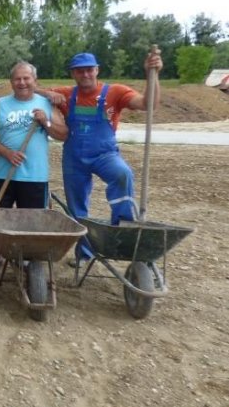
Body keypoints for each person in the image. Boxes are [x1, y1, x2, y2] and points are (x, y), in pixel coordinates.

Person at [43, 49, 163, 262]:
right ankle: (85, 252)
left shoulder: (115, 92)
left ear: (97, 70)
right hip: (74, 157)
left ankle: (121, 233)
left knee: (122, 174)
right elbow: (31, 89)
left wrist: (151, 74)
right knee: (77, 207)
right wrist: (48, 95)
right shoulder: (66, 94)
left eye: (89, 70)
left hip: (104, 154)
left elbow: (149, 104)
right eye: (80, 71)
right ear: (73, 74)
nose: (85, 75)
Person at [0, 62, 68, 208]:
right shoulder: (0, 104)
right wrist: (7, 153)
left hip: (35, 176)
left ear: (35, 80)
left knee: (33, 224)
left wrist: (45, 122)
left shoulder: (45, 104)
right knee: (0, 221)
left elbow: (63, 134)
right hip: (3, 175)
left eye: (26, 78)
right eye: (17, 79)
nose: (22, 82)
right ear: (11, 82)